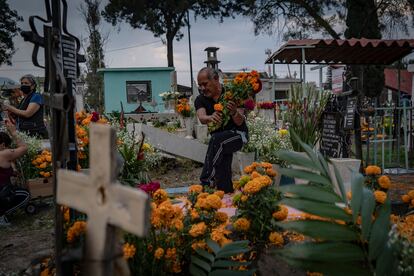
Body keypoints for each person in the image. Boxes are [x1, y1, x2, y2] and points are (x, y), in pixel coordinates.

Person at [195, 67, 248, 193]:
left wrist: (234, 112)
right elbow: (202, 117)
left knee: (217, 140)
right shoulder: (200, 99)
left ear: (216, 79)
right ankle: (225, 193)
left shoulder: (233, 93)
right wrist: (210, 117)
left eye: (205, 84)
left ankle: (206, 182)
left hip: (238, 136)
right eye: (200, 85)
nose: (202, 88)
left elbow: (240, 121)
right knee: (223, 170)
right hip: (219, 142)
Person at [0, 120, 30, 226]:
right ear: (3, 145)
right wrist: (13, 132)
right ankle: (1, 215)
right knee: (25, 194)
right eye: (8, 146)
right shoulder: (3, 153)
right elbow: (24, 148)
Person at [1, 74, 48, 138]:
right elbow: (18, 116)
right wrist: (11, 113)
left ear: (33, 86)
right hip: (25, 133)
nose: (23, 85)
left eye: (26, 83)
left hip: (36, 133)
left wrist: (10, 108)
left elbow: (27, 114)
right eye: (22, 83)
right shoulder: (23, 99)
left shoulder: (36, 96)